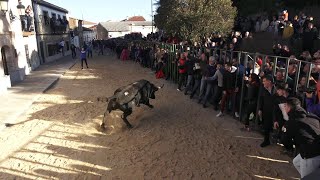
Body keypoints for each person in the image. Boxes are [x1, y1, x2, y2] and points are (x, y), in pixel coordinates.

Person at [282, 97, 320, 178]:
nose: (284, 108)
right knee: (296, 162)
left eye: (285, 106)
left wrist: (290, 148)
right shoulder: (312, 115)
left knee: (306, 178)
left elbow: (285, 141)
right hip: (316, 149)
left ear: (288, 108)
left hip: (310, 155)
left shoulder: (291, 122)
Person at [259, 75, 276, 147]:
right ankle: (266, 141)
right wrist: (260, 109)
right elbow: (261, 100)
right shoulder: (263, 89)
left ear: (269, 82)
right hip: (266, 111)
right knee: (266, 126)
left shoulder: (276, 90)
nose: (263, 83)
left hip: (275, 112)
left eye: (264, 81)